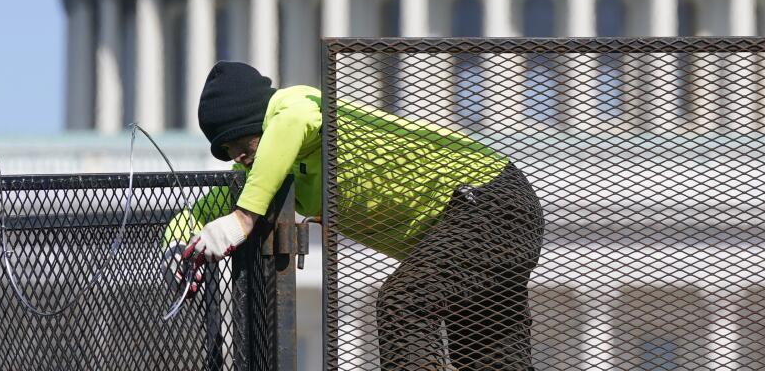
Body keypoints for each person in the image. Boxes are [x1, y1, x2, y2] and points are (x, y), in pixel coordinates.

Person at [164, 61, 546, 371]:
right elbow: (203, 210)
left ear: (255, 122)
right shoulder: (263, 171)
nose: (237, 158)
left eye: (237, 143)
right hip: (477, 220)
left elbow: (292, 122)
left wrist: (245, 219)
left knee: (404, 303)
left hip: (489, 201)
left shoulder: (294, 106)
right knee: (486, 355)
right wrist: (178, 245)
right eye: (227, 152)